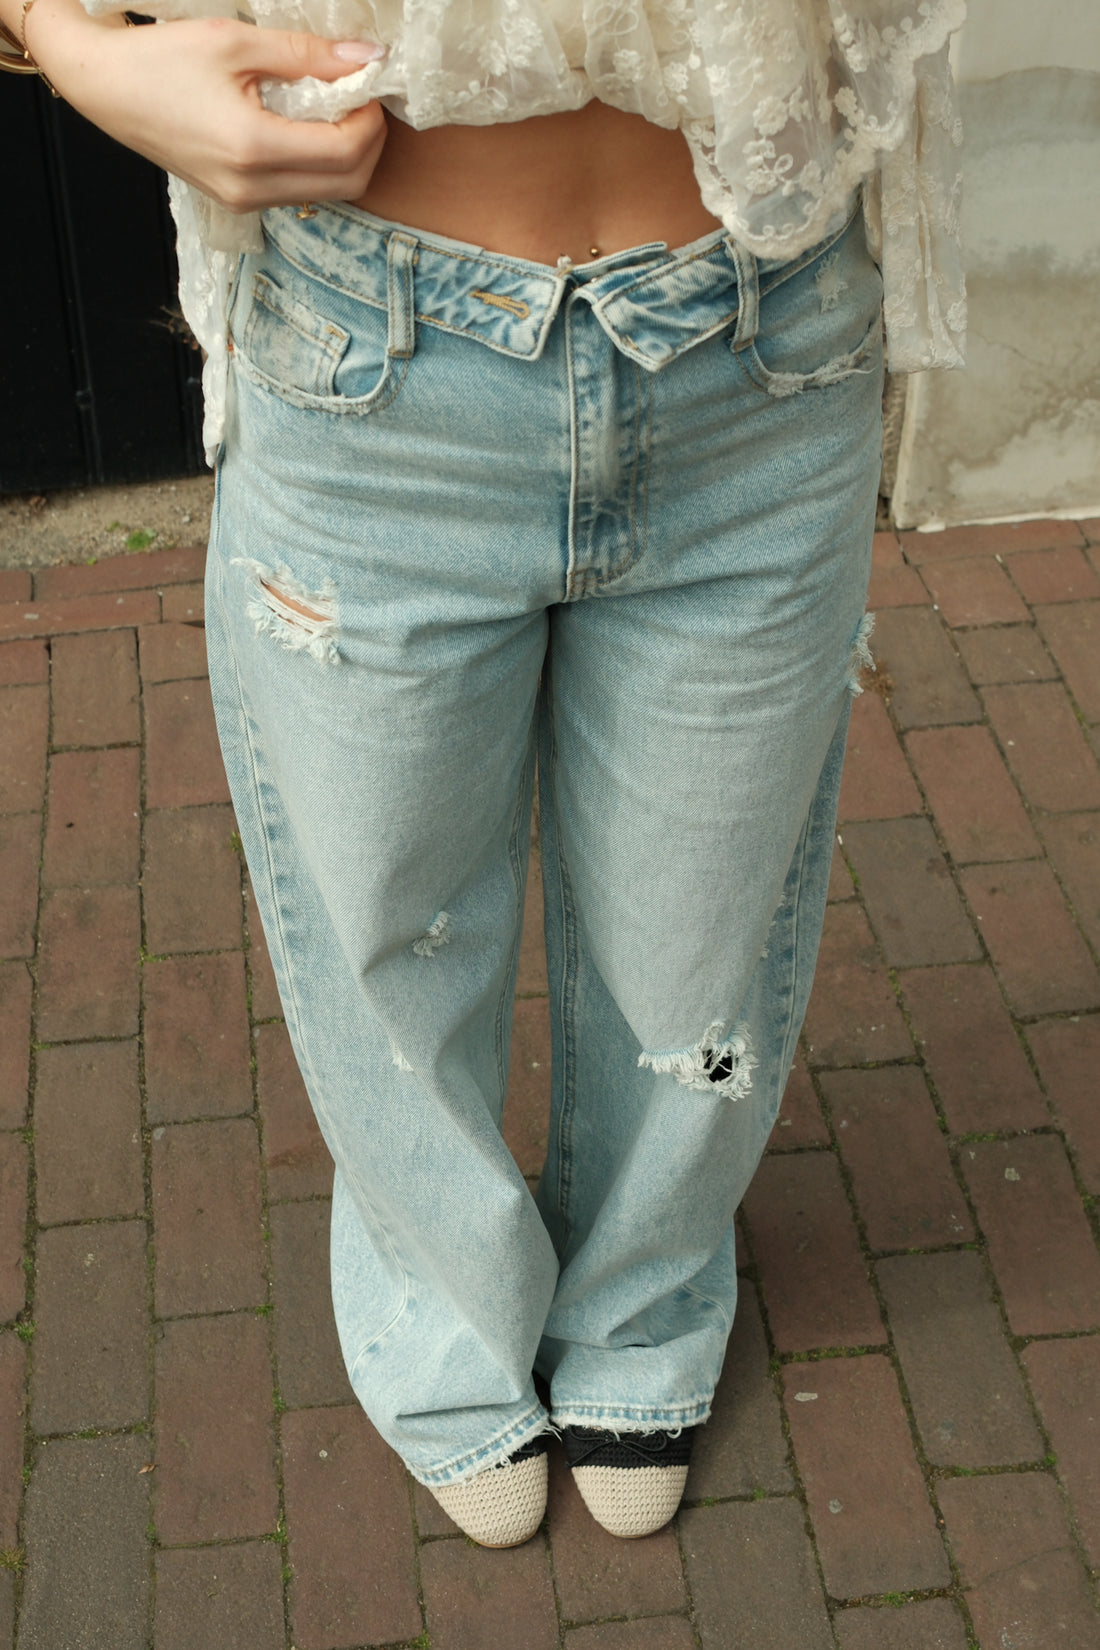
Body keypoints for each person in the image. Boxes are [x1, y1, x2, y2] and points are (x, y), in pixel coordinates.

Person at [1, 0, 967, 1548]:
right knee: (388, 943)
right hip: (375, 357)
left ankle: (644, 1298)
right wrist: (63, 38)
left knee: (699, 947)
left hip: (760, 349)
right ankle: (443, 1307)